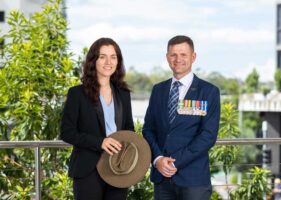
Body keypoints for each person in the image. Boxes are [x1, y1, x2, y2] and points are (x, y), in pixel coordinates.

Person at [142, 35, 220, 200]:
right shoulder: (158, 90)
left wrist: (175, 163)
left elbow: (207, 136)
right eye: (173, 55)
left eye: (183, 54)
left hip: (193, 181)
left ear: (193, 57)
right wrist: (158, 159)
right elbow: (148, 129)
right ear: (167, 58)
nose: (178, 59)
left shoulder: (208, 91)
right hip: (162, 180)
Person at [60, 37, 134, 200]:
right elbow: (67, 132)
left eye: (113, 57)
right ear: (93, 61)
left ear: (118, 61)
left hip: (118, 167)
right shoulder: (77, 94)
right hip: (87, 168)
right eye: (103, 56)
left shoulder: (123, 94)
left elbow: (129, 129)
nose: (109, 62)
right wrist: (100, 142)